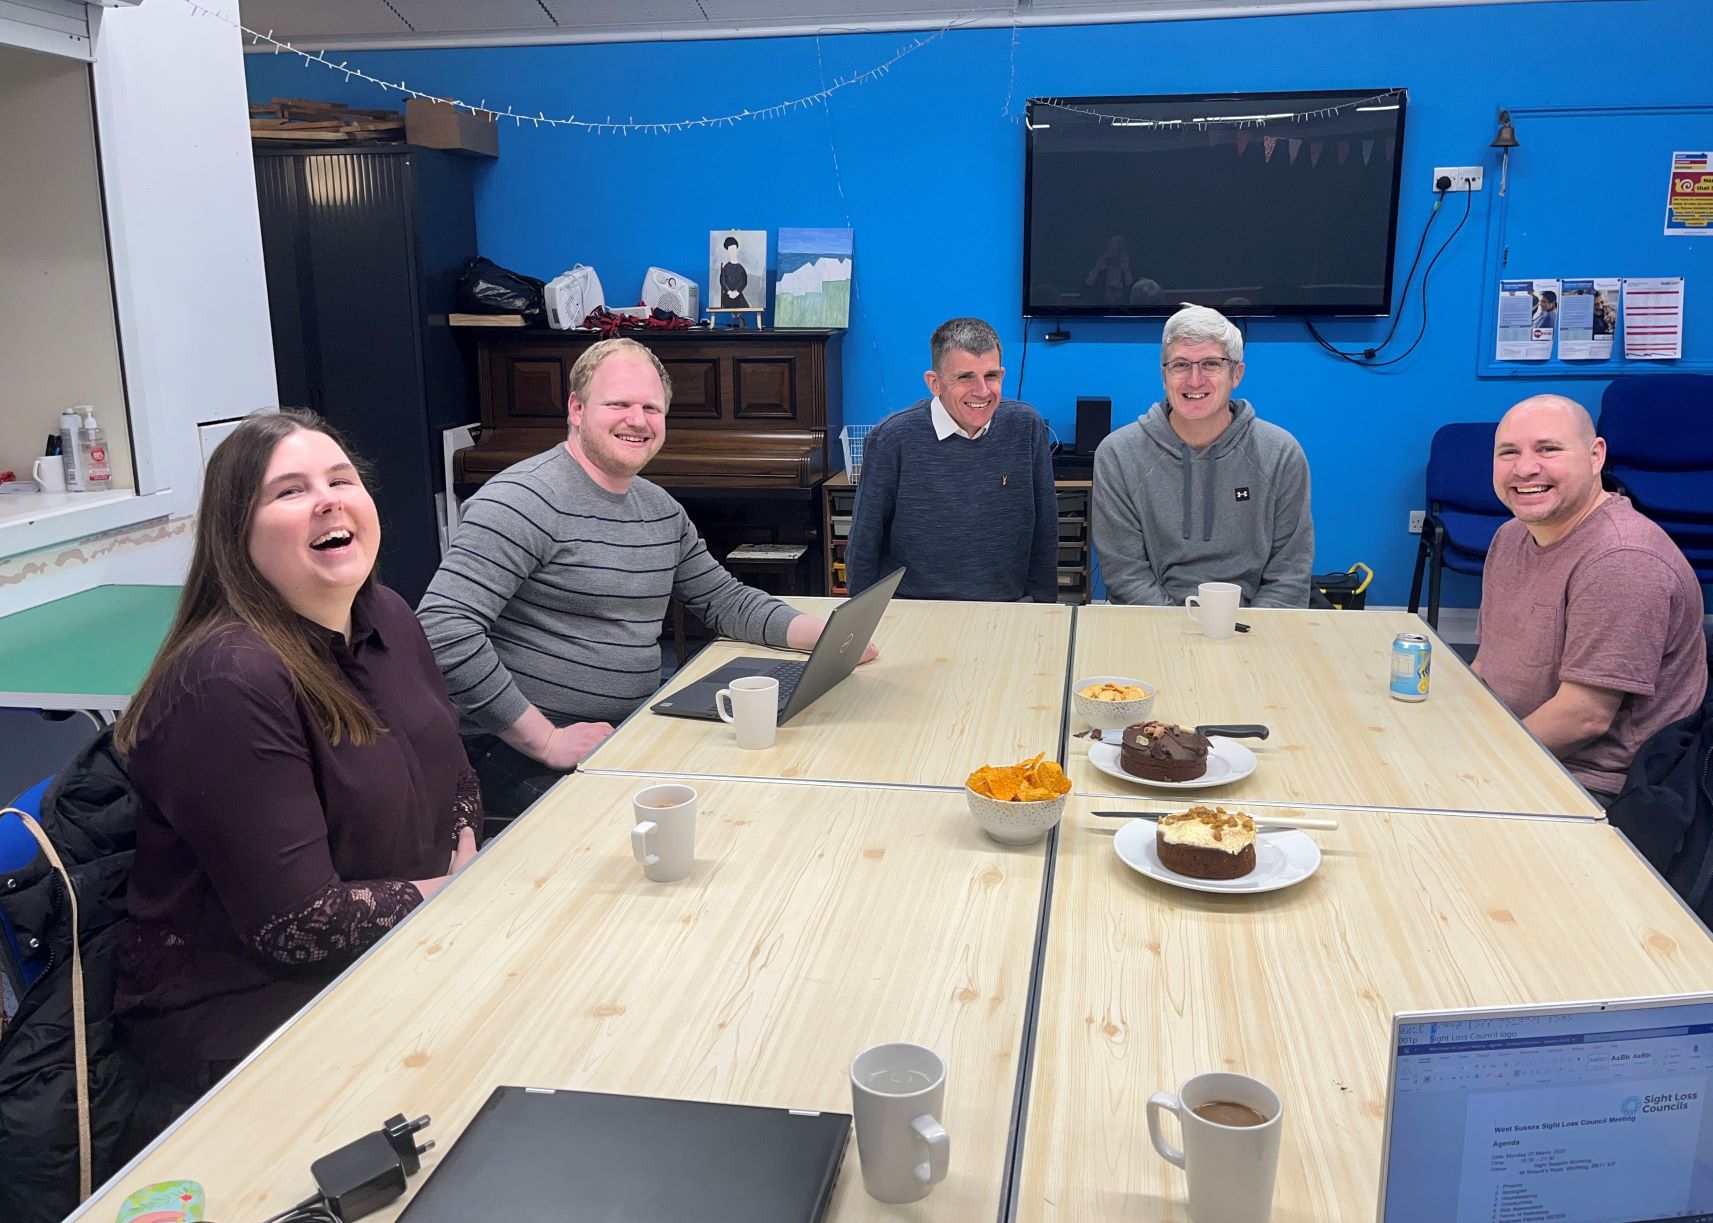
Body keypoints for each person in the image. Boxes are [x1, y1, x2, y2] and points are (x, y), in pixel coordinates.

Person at [114, 410, 481, 1111]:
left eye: (340, 478)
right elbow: (295, 923)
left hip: (399, 948)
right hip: (251, 1016)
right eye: (288, 491)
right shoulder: (226, 680)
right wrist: (455, 893)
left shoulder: (390, 617)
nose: (328, 499)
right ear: (236, 534)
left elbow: (455, 770)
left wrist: (458, 875)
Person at [419, 337, 874, 822]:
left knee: (762, 796)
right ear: (576, 408)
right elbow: (443, 629)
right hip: (516, 745)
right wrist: (546, 740)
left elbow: (724, 600)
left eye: (651, 408)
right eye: (618, 404)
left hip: (627, 726)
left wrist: (824, 637)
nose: (637, 420)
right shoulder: (521, 500)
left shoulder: (658, 509)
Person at [1473, 394, 1705, 804]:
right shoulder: (1511, 536)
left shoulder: (1623, 560)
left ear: (1596, 455)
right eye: (1508, 452)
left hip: (1588, 782)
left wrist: (1473, 764)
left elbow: (1583, 718)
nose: (1525, 468)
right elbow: (1486, 664)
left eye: (1548, 449)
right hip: (1509, 740)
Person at [1092, 304, 1314, 607]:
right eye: (1181, 365)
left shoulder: (1281, 454)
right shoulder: (1118, 455)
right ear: (1164, 375)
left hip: (1253, 631)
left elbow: (1289, 575)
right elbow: (1125, 575)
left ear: (1236, 374)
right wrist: (1181, 638)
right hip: (1152, 628)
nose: (1194, 380)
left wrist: (1241, 637)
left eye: (1211, 364)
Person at [845, 317, 1057, 603]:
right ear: (935, 383)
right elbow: (863, 546)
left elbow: (1046, 531)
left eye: (991, 376)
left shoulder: (1026, 426)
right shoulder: (892, 438)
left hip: (1007, 607)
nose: (982, 391)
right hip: (915, 609)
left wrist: (1042, 608)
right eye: (965, 377)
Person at [719, 235, 750, 309]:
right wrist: (729, 292)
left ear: (736, 250)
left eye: (734, 249)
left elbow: (744, 282)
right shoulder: (725, 268)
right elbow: (722, 282)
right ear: (728, 251)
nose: (732, 252)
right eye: (730, 250)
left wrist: (737, 292)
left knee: (746, 308)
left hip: (739, 296)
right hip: (727, 297)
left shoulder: (741, 268)